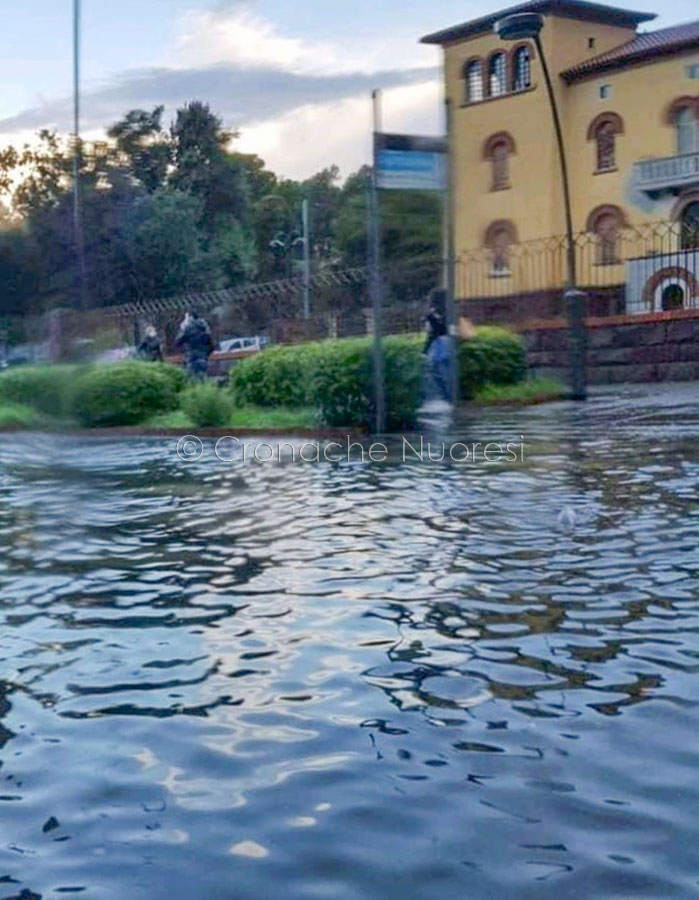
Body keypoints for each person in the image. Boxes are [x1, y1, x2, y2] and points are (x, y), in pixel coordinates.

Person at [422, 289, 452, 402]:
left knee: (436, 373)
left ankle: (444, 397)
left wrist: (424, 351)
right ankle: (450, 397)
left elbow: (430, 332)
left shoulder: (431, 315)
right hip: (449, 343)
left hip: (438, 345)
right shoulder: (451, 311)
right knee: (447, 373)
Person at [175, 308, 214, 379]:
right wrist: (205, 353)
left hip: (192, 357)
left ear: (190, 317)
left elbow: (177, 343)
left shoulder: (188, 328)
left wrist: (182, 328)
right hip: (203, 356)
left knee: (191, 378)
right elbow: (211, 345)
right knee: (202, 377)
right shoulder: (204, 327)